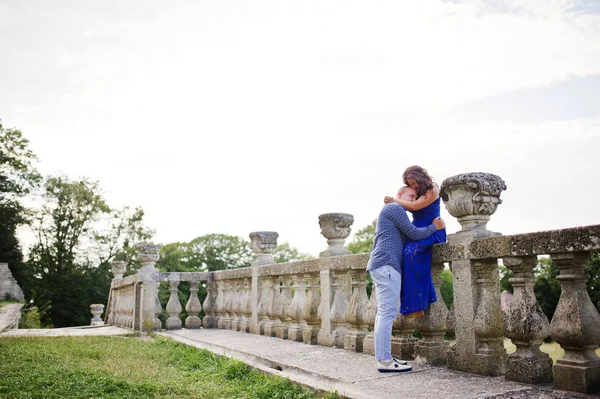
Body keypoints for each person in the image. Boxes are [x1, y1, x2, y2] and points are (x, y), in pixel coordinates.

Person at [367, 185, 445, 372]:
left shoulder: (392, 211)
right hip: (386, 265)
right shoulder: (394, 208)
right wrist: (435, 227)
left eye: (416, 197)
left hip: (382, 265)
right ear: (399, 195)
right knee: (386, 314)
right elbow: (414, 233)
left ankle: (384, 358)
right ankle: (385, 361)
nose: (413, 200)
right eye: (411, 196)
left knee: (383, 314)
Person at [384, 165, 447, 318]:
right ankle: (416, 303)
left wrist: (394, 200)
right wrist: (395, 201)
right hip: (417, 231)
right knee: (405, 254)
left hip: (434, 229)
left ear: (420, 177)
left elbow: (414, 206)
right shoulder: (415, 193)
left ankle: (419, 304)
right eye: (410, 184)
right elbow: (406, 204)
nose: (413, 186)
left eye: (414, 183)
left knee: (412, 253)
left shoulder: (433, 189)